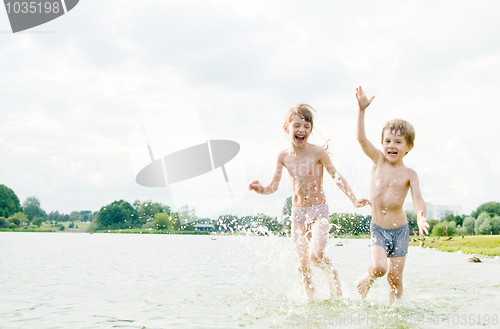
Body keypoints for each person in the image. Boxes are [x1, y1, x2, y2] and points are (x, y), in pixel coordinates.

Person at [248, 103, 370, 299]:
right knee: (301, 265)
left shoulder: (318, 152)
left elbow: (336, 177)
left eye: (306, 126)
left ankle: (332, 276)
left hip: (319, 211)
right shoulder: (283, 156)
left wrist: (354, 199)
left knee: (316, 254)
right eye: (297, 125)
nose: (302, 130)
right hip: (297, 214)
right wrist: (260, 189)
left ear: (310, 130)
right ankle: (310, 300)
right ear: (286, 128)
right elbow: (273, 187)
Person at [354, 86, 429, 304]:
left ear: (409, 147)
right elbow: (360, 139)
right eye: (387, 141)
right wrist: (361, 110)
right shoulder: (377, 160)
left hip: (400, 231)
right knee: (378, 268)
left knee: (395, 278)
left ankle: (395, 312)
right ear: (382, 143)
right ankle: (367, 278)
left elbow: (417, 199)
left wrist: (421, 215)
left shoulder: (410, 174)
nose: (391, 146)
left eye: (398, 142)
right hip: (378, 229)